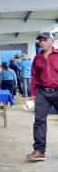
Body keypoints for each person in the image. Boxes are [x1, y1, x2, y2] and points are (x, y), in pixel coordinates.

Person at [27, 31, 58, 161]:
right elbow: (34, 77)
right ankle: (39, 151)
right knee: (39, 121)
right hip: (42, 92)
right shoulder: (37, 58)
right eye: (40, 41)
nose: (42, 42)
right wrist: (33, 94)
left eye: (45, 40)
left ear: (52, 41)